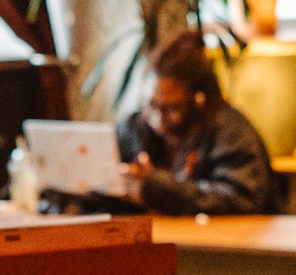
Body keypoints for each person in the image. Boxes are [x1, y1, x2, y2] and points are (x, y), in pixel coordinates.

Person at [114, 30, 279, 215]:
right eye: (151, 106)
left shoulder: (230, 132)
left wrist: (158, 187)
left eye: (172, 108)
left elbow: (240, 198)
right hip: (164, 237)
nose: (159, 119)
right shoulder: (136, 126)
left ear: (198, 99)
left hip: (222, 242)